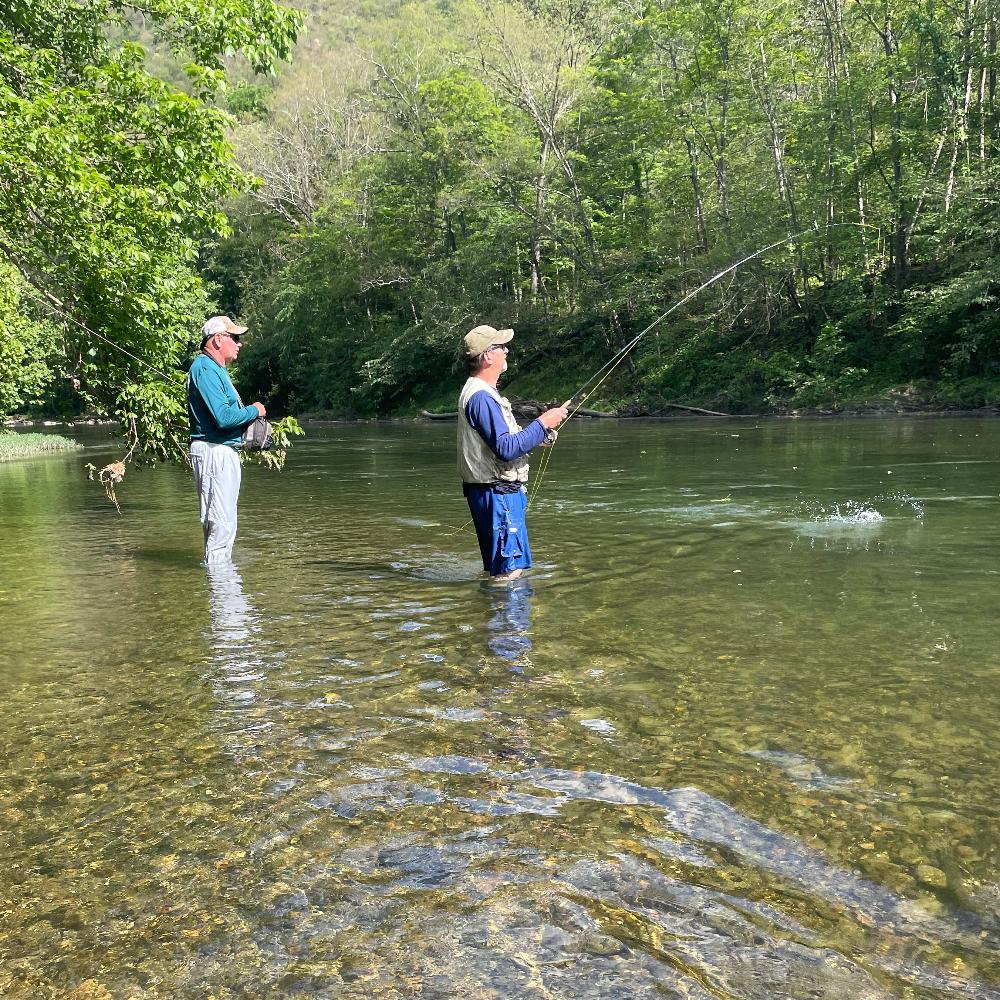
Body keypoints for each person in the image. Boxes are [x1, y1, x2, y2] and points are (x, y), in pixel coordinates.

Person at [458, 324, 568, 582]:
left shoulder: (480, 393)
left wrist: (540, 435)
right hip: (498, 494)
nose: (506, 351)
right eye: (501, 347)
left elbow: (503, 442)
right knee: (509, 572)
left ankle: (488, 617)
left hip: (489, 492)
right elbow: (506, 449)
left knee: (495, 570)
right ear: (487, 356)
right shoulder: (481, 397)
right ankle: (511, 623)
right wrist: (543, 423)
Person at [187, 315, 266, 565]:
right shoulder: (205, 368)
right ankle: (222, 591)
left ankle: (221, 590)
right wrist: (255, 410)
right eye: (235, 338)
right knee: (220, 523)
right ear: (218, 339)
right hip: (214, 451)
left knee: (222, 522)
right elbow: (223, 417)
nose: (239, 343)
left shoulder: (212, 369)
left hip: (219, 451)